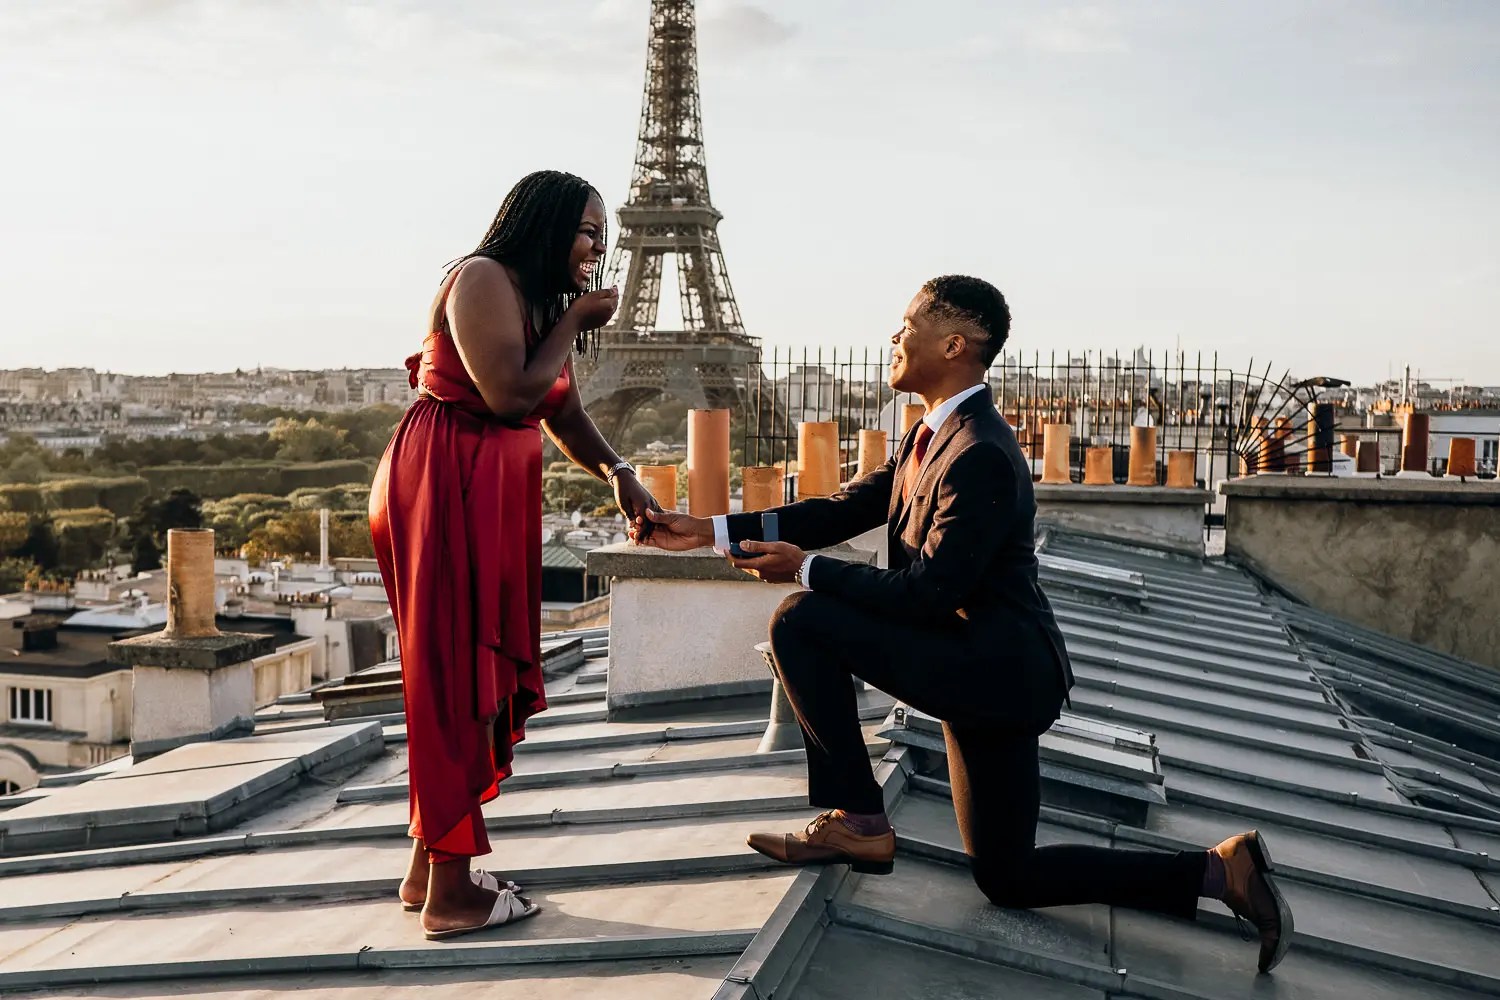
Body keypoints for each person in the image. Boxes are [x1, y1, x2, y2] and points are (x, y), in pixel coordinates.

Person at [636, 275, 1294, 974]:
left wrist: (806, 569)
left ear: (953, 344)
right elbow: (838, 510)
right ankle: (1221, 871)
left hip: (995, 672)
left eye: (907, 325)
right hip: (975, 664)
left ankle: (858, 821)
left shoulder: (979, 451)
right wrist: (708, 530)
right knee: (1008, 877)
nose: (893, 338)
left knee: (802, 618)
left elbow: (927, 592)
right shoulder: (933, 434)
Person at [370, 170, 654, 941]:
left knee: (468, 676)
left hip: (486, 493)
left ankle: (432, 867)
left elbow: (562, 410)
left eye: (602, 235)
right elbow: (508, 396)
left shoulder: (537, 302)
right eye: (588, 231)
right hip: (445, 485)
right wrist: (578, 321)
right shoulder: (483, 279)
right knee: (454, 675)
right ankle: (452, 894)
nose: (598, 247)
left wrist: (619, 472)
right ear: (546, 224)